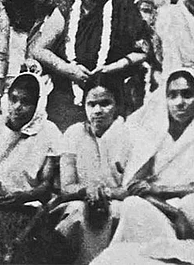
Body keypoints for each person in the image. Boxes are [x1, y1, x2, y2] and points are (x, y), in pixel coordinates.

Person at [30, 0, 149, 131]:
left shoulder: (122, 6)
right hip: (68, 95)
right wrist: (69, 70)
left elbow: (142, 52)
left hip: (111, 94)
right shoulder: (66, 9)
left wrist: (111, 68)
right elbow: (38, 49)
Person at [113, 69, 194, 243]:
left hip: (191, 201)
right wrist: (174, 213)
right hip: (158, 205)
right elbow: (134, 188)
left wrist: (162, 189)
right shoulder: (153, 134)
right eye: (173, 95)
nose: (180, 103)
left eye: (187, 95)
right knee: (132, 205)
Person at [55, 83, 131, 264]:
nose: (97, 110)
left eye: (105, 103)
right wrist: (87, 190)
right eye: (91, 104)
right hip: (81, 200)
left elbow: (133, 188)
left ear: (118, 106)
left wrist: (105, 193)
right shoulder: (74, 133)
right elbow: (66, 187)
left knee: (120, 211)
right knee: (77, 211)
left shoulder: (130, 134)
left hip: (117, 201)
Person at [0, 73, 61, 204]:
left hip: (29, 200)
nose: (17, 107)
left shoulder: (50, 131)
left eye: (26, 102)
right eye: (13, 99)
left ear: (38, 104)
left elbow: (47, 183)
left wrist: (24, 196)